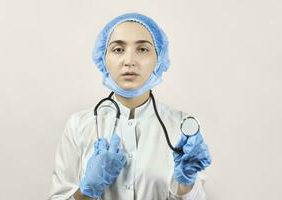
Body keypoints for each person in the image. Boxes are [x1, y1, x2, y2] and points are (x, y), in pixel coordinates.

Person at [48, 13, 212, 200]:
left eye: (142, 49)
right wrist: (88, 190)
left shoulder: (182, 127)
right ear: (103, 57)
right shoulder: (79, 125)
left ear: (158, 58)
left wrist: (186, 185)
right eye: (118, 49)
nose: (129, 61)